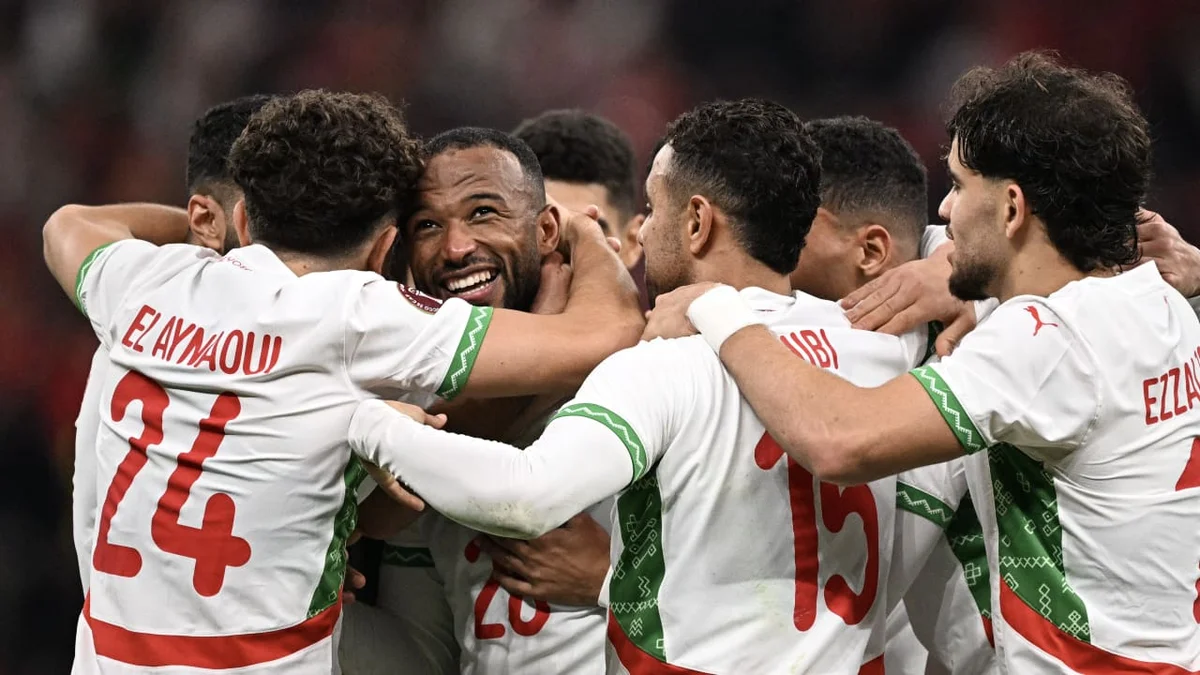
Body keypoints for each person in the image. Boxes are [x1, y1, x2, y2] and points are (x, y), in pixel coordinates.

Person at [44, 90, 642, 674]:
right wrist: (583, 232)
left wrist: (228, 232)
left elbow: (67, 225)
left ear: (243, 218)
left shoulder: (146, 282)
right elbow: (604, 333)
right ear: (387, 248)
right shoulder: (362, 316)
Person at [648, 52, 1200, 673]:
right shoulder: (1162, 298)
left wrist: (721, 312)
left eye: (959, 187)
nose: (944, 212)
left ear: (1012, 208)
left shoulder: (1047, 341)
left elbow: (839, 440)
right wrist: (949, 270)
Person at [347, 99, 929, 674]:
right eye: (428, 225)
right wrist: (944, 263)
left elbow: (525, 495)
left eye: (652, 210)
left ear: (697, 223)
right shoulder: (882, 343)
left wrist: (364, 424)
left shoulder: (658, 366)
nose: (644, 232)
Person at [342, 127, 613, 675]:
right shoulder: (406, 415)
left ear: (546, 230)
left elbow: (775, 600)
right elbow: (422, 655)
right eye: (427, 225)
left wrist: (616, 579)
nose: (456, 248)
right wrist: (304, 596)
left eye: (483, 213)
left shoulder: (645, 378)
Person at [793, 115, 995, 675]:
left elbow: (858, 591)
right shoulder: (944, 277)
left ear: (870, 250)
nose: (771, 241)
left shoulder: (990, 339)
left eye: (792, 225)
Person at [71, 94, 272, 595]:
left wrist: (201, 230)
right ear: (208, 219)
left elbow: (68, 224)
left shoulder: (132, 306)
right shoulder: (299, 331)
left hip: (108, 626)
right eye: (273, 212)